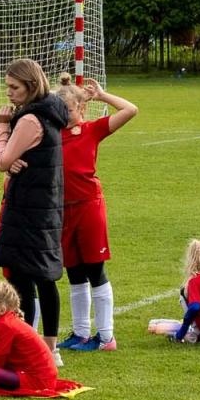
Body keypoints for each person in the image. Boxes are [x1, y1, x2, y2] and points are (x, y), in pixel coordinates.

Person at [53, 76, 138, 353]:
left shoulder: (91, 130)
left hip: (89, 206)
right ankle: (80, 333)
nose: (65, 114)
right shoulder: (50, 134)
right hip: (63, 210)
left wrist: (102, 96)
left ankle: (106, 337)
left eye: (70, 109)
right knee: (74, 271)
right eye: (60, 109)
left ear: (82, 109)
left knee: (95, 268)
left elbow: (130, 110)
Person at [0, 57, 70, 357]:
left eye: (14, 87)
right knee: (43, 277)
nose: (9, 93)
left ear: (31, 85)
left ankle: (35, 346)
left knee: (25, 277)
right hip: (47, 205)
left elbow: (2, 160)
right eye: (7, 87)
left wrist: (1, 128)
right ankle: (49, 348)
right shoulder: (51, 112)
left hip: (29, 207)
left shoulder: (28, 119)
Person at [0, 280, 80, 396]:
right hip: (40, 376)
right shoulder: (7, 320)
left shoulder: (3, 325)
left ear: (1, 309)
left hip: (38, 381)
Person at [147, 239, 200, 346]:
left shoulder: (196, 281)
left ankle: (194, 333)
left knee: (183, 294)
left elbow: (194, 307)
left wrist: (181, 332)